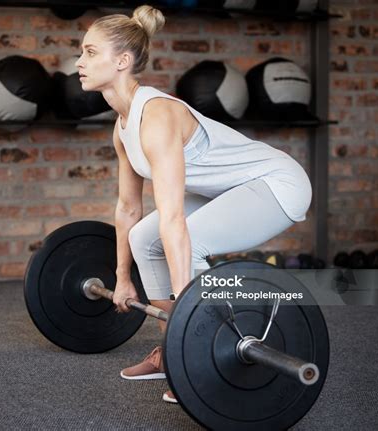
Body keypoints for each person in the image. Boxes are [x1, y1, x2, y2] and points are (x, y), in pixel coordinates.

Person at [75, 5, 312, 404]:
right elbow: (127, 209)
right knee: (143, 238)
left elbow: (173, 218)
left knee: (189, 240)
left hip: (277, 183)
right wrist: (122, 277)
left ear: (123, 61)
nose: (79, 62)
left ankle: (200, 350)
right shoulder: (122, 126)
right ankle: (173, 352)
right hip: (231, 187)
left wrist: (187, 307)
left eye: (90, 52)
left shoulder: (158, 116)